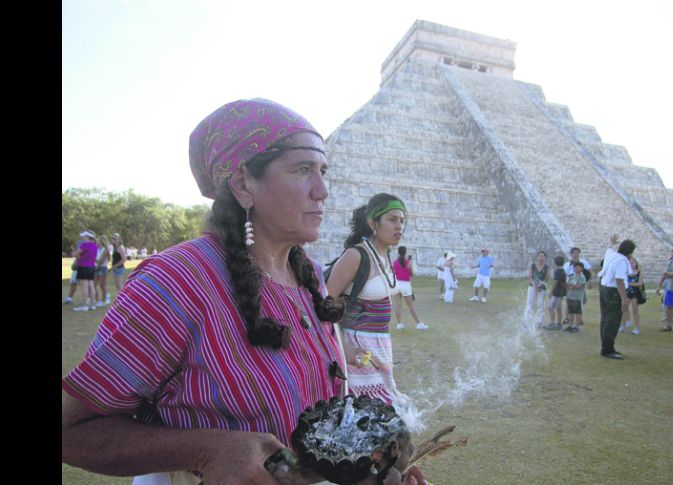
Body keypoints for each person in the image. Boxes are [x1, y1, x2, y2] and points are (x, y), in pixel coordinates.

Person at [62, 99, 419, 485]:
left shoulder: (311, 278)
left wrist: (370, 461)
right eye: (303, 170)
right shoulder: (175, 282)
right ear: (244, 184)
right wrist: (207, 449)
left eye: (323, 171)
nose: (323, 190)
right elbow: (71, 427)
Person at [325, 193, 412, 407]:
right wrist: (344, 347)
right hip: (356, 350)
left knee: (385, 416)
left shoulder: (384, 255)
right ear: (373, 223)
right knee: (366, 416)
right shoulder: (356, 256)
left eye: (402, 221)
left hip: (379, 347)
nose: (399, 226)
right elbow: (324, 304)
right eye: (392, 220)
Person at [598, 239, 635, 360]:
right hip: (613, 291)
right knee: (612, 320)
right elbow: (619, 280)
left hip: (604, 287)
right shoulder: (622, 261)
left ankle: (606, 346)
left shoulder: (612, 254)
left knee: (605, 318)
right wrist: (624, 299)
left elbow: (608, 250)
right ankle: (607, 349)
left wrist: (611, 242)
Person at [392, 245, 428, 330]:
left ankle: (399, 324)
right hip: (405, 284)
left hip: (397, 284)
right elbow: (412, 273)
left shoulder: (394, 262)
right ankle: (419, 324)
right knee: (411, 305)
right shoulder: (408, 262)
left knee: (398, 305)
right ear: (405, 252)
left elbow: (393, 273)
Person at [72, 230, 99, 311]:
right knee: (91, 286)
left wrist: (76, 251)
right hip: (91, 267)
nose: (82, 238)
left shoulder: (84, 245)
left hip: (83, 267)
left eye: (83, 236)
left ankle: (84, 305)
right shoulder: (95, 245)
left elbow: (75, 254)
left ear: (87, 237)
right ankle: (92, 304)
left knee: (84, 287)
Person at [620, 256, 645, 335]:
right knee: (624, 308)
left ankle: (636, 328)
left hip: (635, 293)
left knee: (635, 310)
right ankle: (623, 325)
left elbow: (640, 283)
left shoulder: (639, 273)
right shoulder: (626, 272)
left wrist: (630, 283)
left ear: (636, 264)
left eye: (632, 263)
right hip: (627, 293)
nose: (631, 264)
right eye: (629, 263)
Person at [524, 251, 549, 328]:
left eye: (543, 256)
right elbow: (529, 276)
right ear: (537, 257)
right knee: (529, 303)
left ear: (545, 258)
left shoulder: (546, 267)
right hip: (532, 286)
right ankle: (526, 321)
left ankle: (540, 322)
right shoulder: (533, 265)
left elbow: (546, 278)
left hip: (542, 287)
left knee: (540, 304)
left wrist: (540, 284)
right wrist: (534, 284)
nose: (541, 257)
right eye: (540, 256)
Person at [544, 255, 567, 330]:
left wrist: (551, 292)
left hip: (557, 293)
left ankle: (552, 323)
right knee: (558, 308)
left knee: (550, 307)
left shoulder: (557, 271)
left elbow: (555, 282)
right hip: (562, 292)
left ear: (555, 263)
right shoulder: (563, 271)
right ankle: (559, 323)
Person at [564, 262, 587, 332]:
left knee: (578, 312)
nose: (576, 268)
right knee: (571, 312)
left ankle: (576, 326)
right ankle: (570, 325)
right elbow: (567, 284)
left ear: (582, 268)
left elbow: (580, 286)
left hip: (578, 297)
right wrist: (569, 286)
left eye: (578, 267)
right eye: (575, 267)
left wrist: (572, 286)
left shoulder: (582, 277)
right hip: (570, 296)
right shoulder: (571, 276)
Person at [94, 235, 111, 307]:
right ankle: (96, 300)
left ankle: (103, 300)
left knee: (102, 285)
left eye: (98, 241)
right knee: (94, 284)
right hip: (97, 267)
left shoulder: (105, 250)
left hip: (102, 268)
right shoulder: (97, 249)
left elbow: (100, 261)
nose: (97, 242)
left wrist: (91, 258)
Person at [63, 240, 82, 305]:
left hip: (81, 268)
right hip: (76, 268)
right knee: (73, 283)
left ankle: (88, 299)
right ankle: (69, 298)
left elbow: (75, 254)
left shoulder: (83, 245)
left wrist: (76, 254)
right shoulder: (80, 242)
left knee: (84, 284)